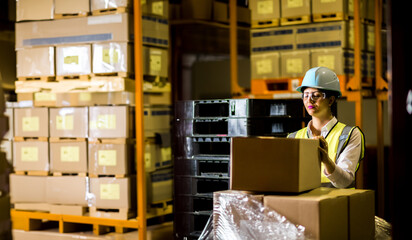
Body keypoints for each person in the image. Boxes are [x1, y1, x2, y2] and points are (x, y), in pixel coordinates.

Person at [288, 66, 365, 188]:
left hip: (334, 204)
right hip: (302, 204)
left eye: (316, 95)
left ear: (330, 100)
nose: (309, 100)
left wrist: (326, 161)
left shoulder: (350, 135)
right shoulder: (293, 137)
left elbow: (345, 182)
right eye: (306, 95)